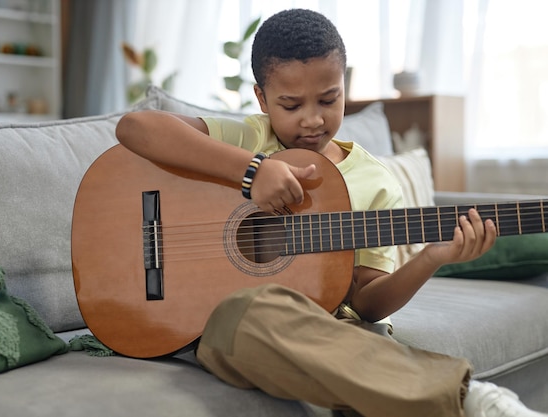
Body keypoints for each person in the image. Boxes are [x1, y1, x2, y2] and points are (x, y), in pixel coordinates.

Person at [116, 8, 547, 417]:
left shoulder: (375, 182)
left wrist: (431, 258)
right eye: (291, 105)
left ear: (345, 87)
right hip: (238, 324)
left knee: (316, 328)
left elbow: (369, 304)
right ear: (262, 99)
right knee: (247, 310)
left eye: (328, 99)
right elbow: (134, 128)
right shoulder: (250, 138)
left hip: (334, 329)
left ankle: (464, 400)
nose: (312, 120)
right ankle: (468, 400)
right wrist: (252, 170)